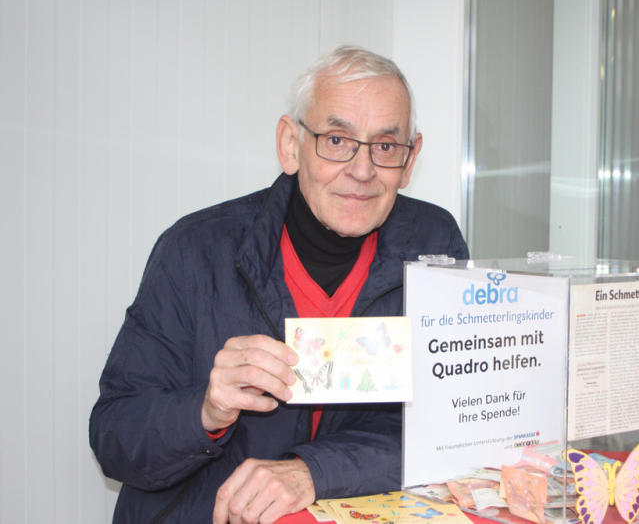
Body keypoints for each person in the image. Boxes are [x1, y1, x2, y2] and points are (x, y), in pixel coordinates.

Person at [89, 45, 469, 524]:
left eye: (386, 147)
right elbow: (114, 437)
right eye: (337, 140)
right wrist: (205, 410)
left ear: (410, 161)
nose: (363, 170)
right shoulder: (195, 251)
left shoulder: (434, 245)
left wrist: (314, 471)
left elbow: (457, 426)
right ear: (291, 144)